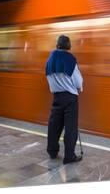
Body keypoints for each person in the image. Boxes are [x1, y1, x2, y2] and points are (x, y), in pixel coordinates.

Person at [45, 35, 83, 165]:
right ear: (68, 45)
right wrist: (78, 87)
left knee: (54, 125)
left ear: (57, 45)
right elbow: (78, 81)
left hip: (56, 97)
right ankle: (69, 156)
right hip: (70, 98)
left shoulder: (49, 59)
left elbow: (48, 77)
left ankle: (52, 151)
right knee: (70, 127)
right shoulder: (69, 58)